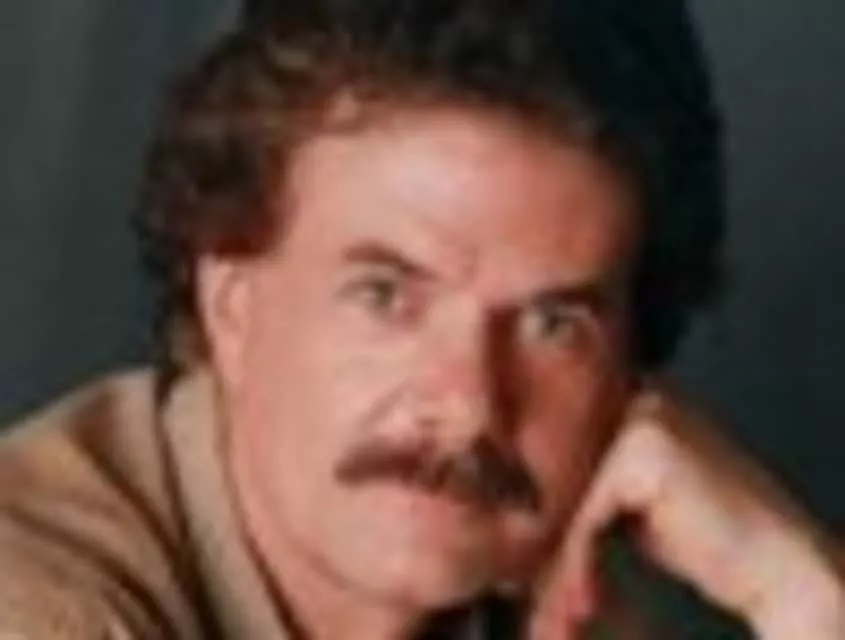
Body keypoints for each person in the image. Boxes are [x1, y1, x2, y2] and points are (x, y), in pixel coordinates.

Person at [0, 1, 842, 638]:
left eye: (552, 323)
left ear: (630, 372)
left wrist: (799, 592)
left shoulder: (572, 599)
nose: (469, 405)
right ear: (232, 303)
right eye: (385, 296)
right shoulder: (39, 606)